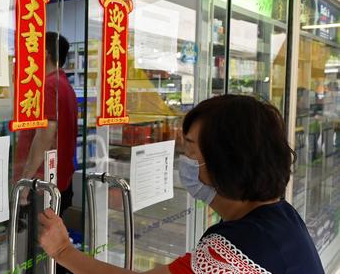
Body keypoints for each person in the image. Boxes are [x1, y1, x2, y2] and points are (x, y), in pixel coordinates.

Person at [37, 95, 325, 274]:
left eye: (189, 149)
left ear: (226, 162)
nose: (183, 160)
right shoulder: (280, 216)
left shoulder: (231, 254)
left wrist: (63, 251)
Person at [15, 32, 78, 274]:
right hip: (60, 181)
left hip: (43, 185)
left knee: (42, 253)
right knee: (55, 251)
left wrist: (25, 181)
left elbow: (46, 133)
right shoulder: (65, 85)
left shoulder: (49, 85)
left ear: (46, 54)